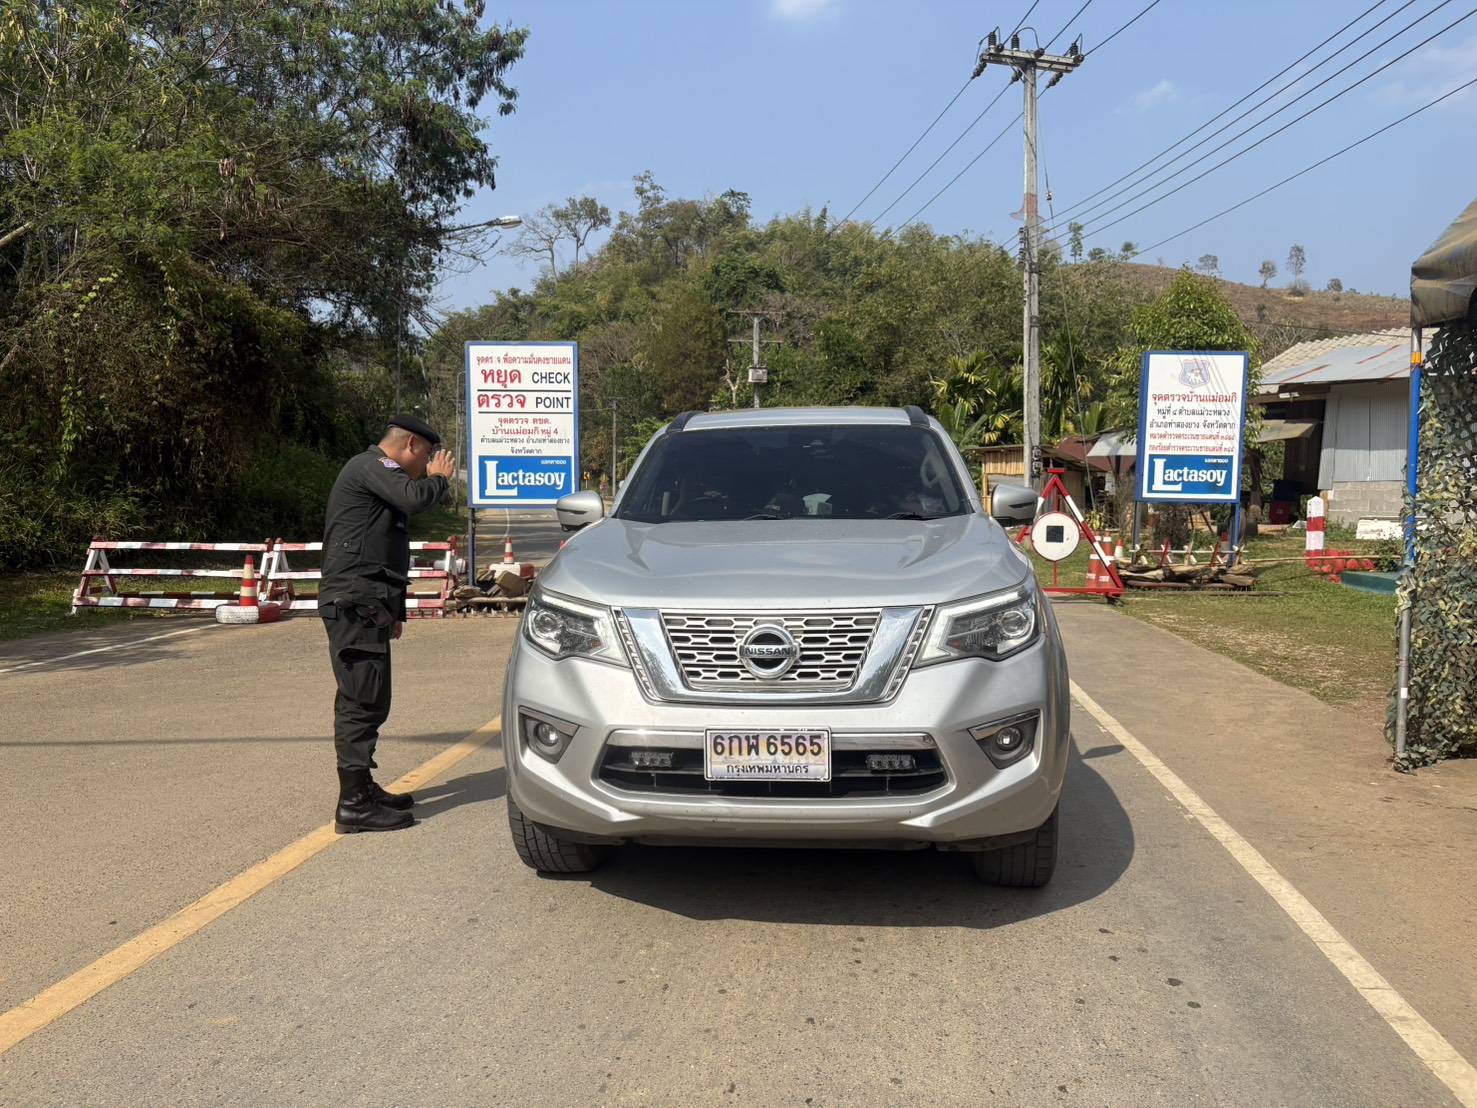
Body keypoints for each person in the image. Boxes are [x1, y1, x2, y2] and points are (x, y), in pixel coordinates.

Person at [320, 414, 456, 833]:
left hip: (368, 602)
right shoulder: (373, 466)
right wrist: (439, 480)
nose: (427, 464)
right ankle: (354, 805)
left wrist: (393, 610)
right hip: (355, 602)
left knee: (372, 698)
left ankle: (363, 788)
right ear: (411, 445)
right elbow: (413, 499)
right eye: (427, 456)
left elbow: (382, 547)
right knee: (361, 701)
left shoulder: (376, 473)